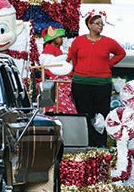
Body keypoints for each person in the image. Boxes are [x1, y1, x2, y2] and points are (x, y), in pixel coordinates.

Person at [67, 13, 126, 146]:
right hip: (81, 84)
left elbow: (121, 53)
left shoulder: (108, 42)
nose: (101, 26)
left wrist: (109, 64)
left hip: (102, 85)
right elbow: (73, 57)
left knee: (101, 114)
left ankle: (100, 145)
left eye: (102, 24)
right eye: (98, 23)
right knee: (84, 114)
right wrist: (78, 70)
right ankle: (85, 143)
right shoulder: (78, 41)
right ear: (89, 24)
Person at [40, 26, 76, 114]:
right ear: (53, 38)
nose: (62, 40)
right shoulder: (49, 49)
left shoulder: (56, 49)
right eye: (60, 37)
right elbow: (51, 66)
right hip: (56, 78)